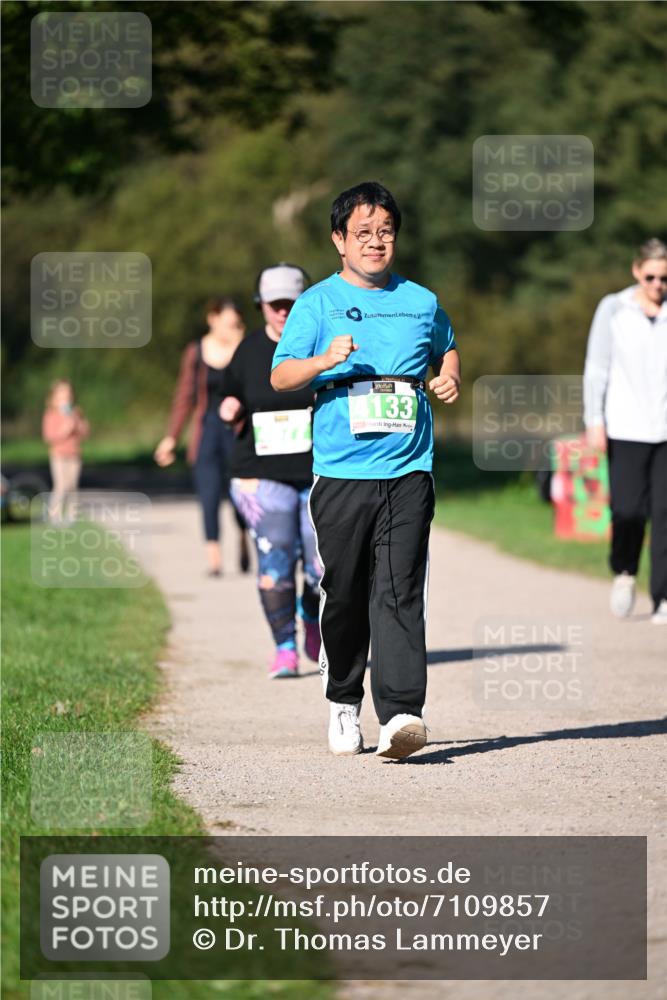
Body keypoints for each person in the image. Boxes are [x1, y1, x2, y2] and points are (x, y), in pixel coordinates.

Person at [270, 181, 461, 759]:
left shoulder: (421, 301)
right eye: (363, 233)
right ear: (339, 240)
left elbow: (446, 345)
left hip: (410, 469)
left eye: (385, 232)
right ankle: (343, 699)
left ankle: (402, 711)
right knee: (347, 593)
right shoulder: (318, 304)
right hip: (341, 471)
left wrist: (448, 374)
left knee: (401, 589)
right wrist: (324, 360)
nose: (376, 243)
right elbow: (280, 378)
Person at [220, 264, 322, 679]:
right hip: (262, 472)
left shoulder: (324, 345)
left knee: (321, 567)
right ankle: (284, 646)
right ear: (260, 306)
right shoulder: (248, 351)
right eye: (275, 304)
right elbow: (229, 391)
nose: (283, 312)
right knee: (277, 562)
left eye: (291, 304)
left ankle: (313, 621)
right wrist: (229, 406)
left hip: (320, 472)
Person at [583, 237, 667, 625]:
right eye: (650, 276)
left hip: (664, 428)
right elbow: (597, 369)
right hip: (626, 426)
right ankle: (625, 570)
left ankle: (663, 595)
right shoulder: (613, 309)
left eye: (664, 278)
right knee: (629, 510)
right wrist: (594, 422)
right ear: (637, 271)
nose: (657, 285)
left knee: (665, 512)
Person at [154, 297, 249, 577]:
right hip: (206, 431)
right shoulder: (196, 351)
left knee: (241, 497)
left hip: (237, 432)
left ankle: (244, 537)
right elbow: (184, 396)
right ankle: (214, 557)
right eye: (227, 322)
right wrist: (171, 437)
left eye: (236, 323)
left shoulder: (245, 350)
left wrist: (240, 347)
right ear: (212, 319)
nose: (231, 327)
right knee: (208, 495)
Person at [42, 379, 89, 523]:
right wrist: (65, 429)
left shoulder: (75, 412)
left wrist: (78, 423)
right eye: (62, 393)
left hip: (74, 454)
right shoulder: (51, 414)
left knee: (72, 485)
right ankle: (54, 514)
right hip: (58, 455)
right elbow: (48, 436)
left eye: (68, 393)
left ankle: (72, 515)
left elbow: (85, 432)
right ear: (54, 396)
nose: (66, 396)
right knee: (61, 485)